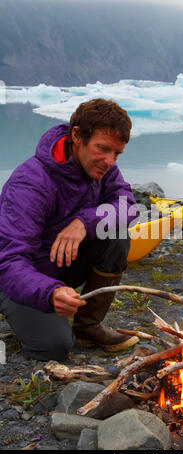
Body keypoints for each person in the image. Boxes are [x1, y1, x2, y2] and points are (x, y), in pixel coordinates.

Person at [0, 98, 139, 361]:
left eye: (117, 153)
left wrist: (84, 223)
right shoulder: (31, 183)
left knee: (117, 233)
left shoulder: (101, 167)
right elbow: (9, 261)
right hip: (14, 278)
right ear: (77, 136)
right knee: (54, 347)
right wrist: (49, 293)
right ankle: (22, 310)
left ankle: (87, 328)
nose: (110, 161)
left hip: (59, 265)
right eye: (103, 149)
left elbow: (128, 205)